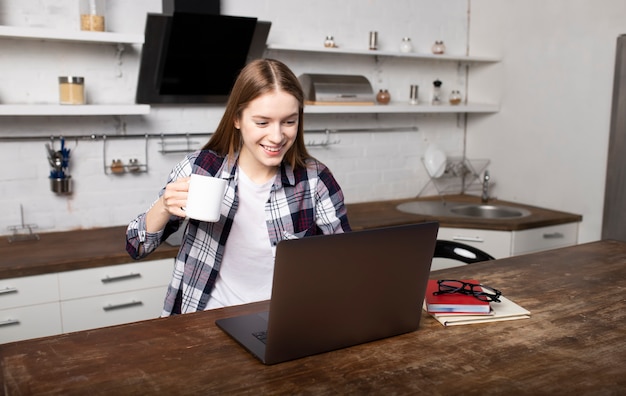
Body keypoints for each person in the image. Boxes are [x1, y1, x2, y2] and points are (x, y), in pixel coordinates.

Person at [126, 58, 351, 316]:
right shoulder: (200, 169)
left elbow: (344, 267)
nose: (277, 137)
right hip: (202, 321)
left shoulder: (315, 181)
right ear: (237, 119)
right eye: (262, 122)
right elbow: (136, 246)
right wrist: (164, 207)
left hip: (281, 321)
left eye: (289, 121)